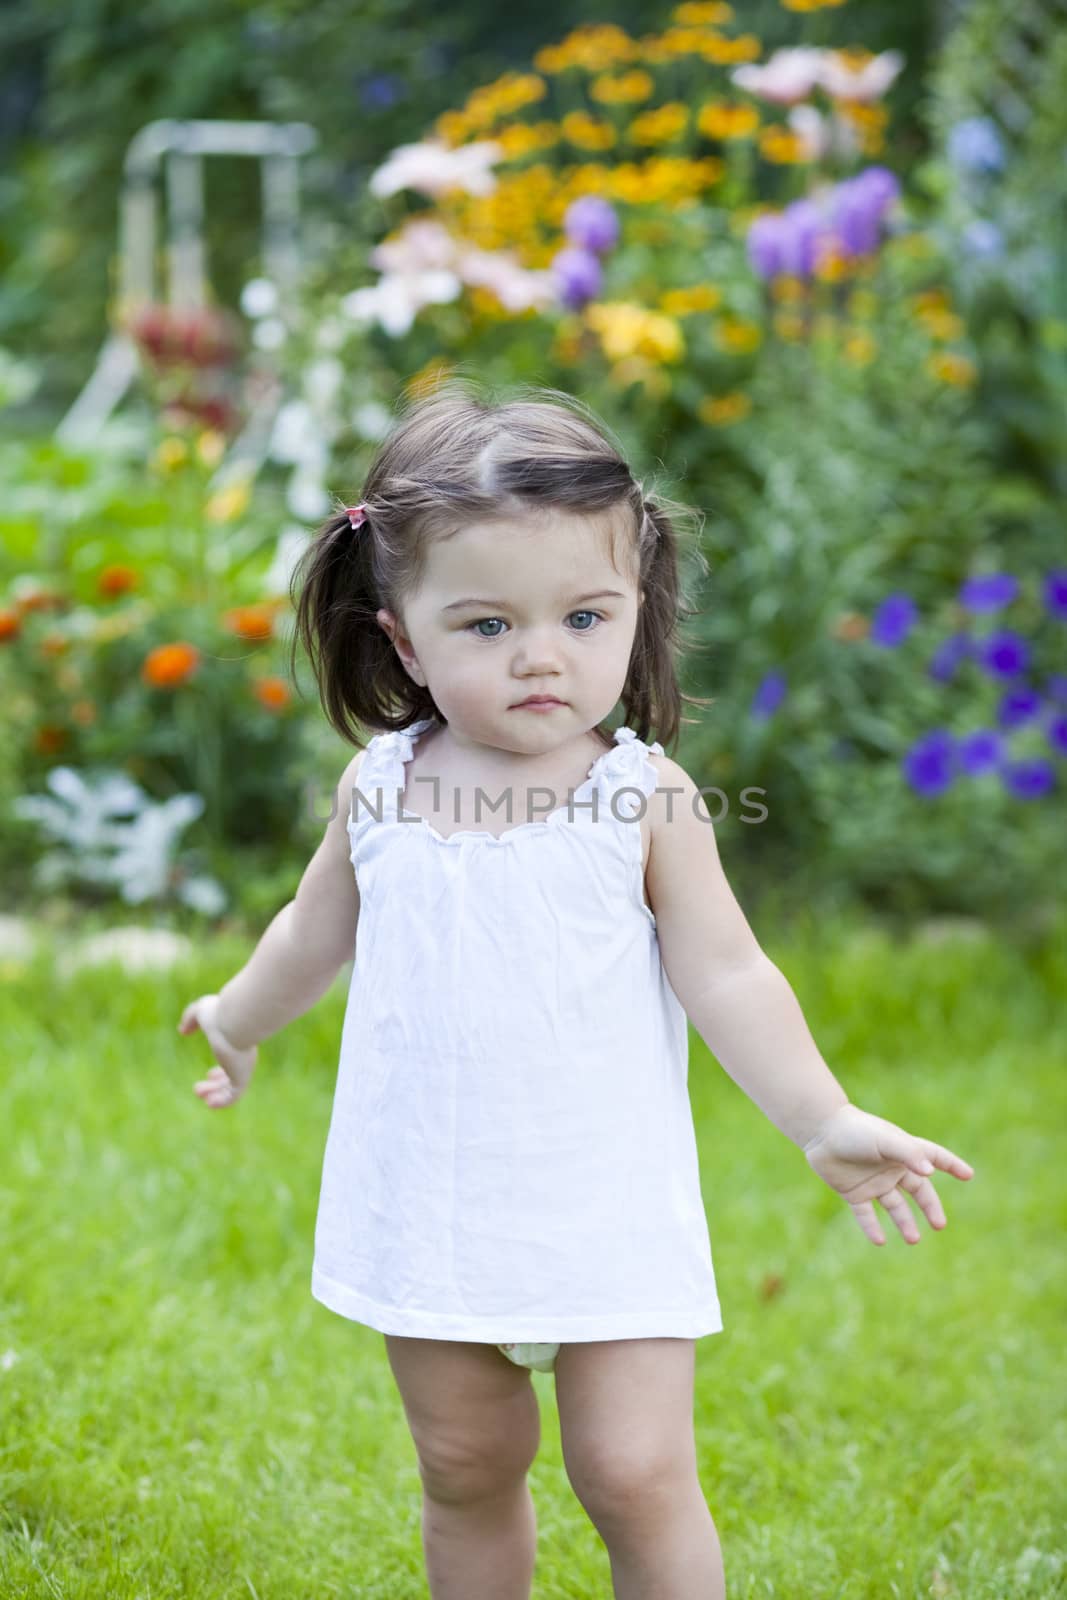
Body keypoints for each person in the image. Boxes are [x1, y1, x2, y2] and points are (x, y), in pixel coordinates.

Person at [177, 376, 975, 1600]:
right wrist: (236, 1020)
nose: (541, 658)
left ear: (635, 608)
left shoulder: (640, 799)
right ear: (402, 636)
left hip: (602, 1201)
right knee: (464, 1459)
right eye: (486, 626)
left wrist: (822, 1119)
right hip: (430, 1196)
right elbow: (308, 933)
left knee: (633, 1469)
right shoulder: (380, 789)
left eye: (584, 618)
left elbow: (727, 971)